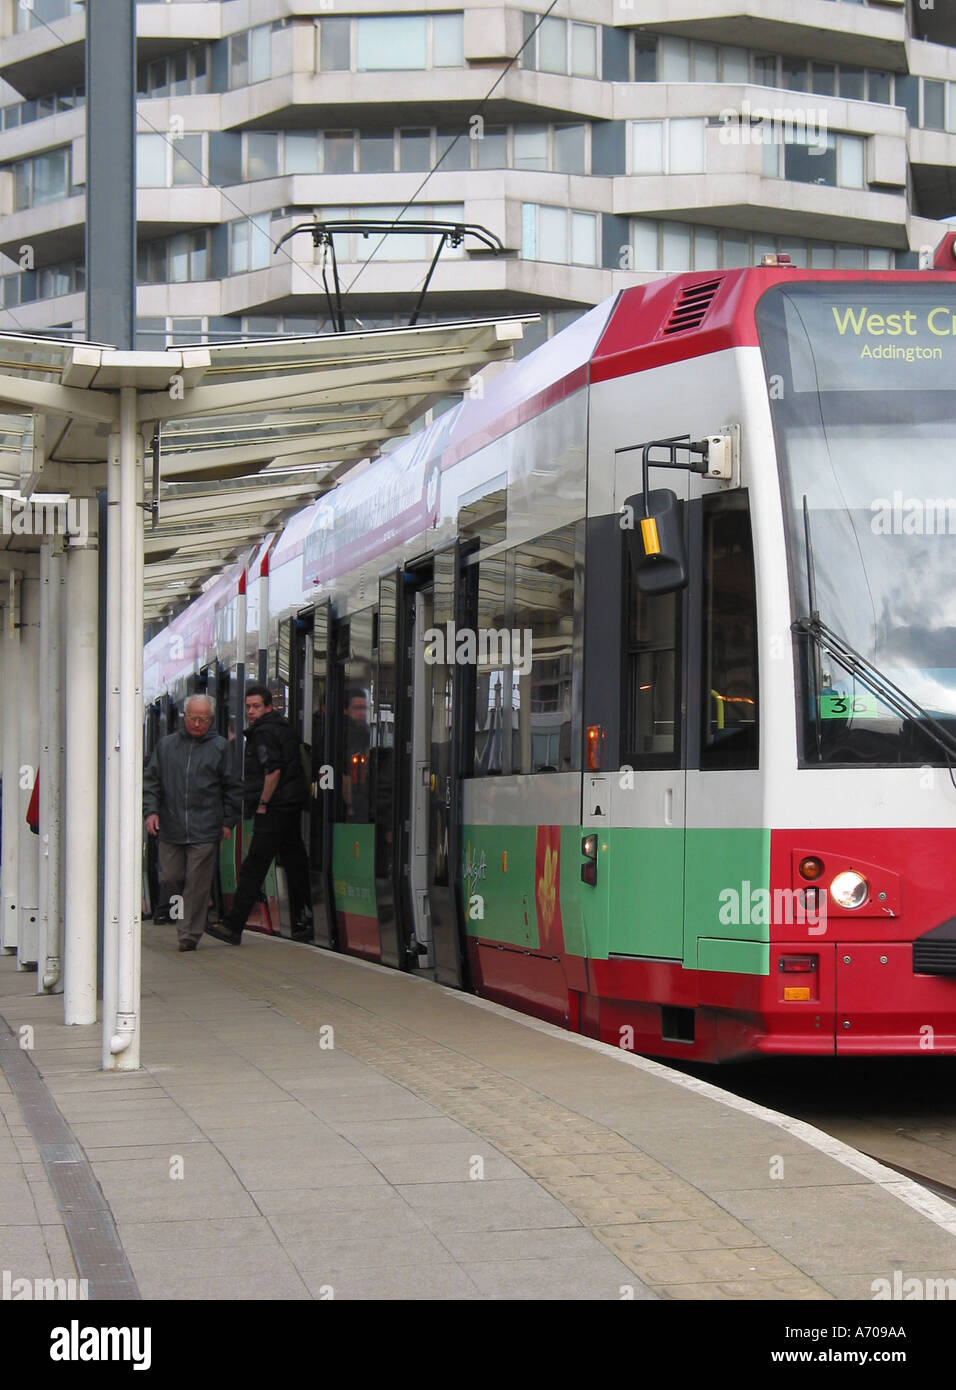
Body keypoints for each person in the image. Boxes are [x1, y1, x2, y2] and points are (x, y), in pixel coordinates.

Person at [206, 683, 313, 945]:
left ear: (268, 707)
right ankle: (308, 917)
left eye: (256, 706)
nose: (251, 712)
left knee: (254, 865)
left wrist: (263, 802)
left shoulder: (263, 733)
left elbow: (273, 770)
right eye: (248, 707)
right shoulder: (283, 729)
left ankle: (233, 925)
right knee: (295, 861)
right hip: (290, 806)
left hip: (274, 808)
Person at [143, 694, 241, 952]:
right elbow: (151, 782)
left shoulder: (220, 747)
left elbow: (233, 787)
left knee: (197, 881)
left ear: (211, 720)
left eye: (203, 719)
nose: (197, 724)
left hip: (206, 827)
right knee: (171, 878)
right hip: (171, 826)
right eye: (193, 718)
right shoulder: (166, 746)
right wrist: (151, 812)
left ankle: (188, 934)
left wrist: (228, 821)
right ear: (183, 717)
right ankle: (198, 900)